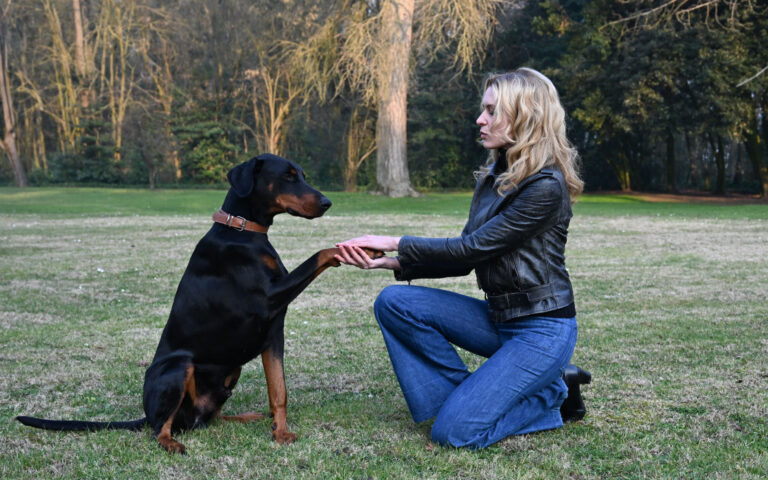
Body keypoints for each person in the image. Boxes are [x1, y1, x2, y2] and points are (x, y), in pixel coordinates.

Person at [335, 67, 591, 449]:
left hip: (542, 331)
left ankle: (551, 394)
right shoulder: (494, 177)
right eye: (483, 110)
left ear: (525, 116)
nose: (480, 119)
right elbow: (465, 255)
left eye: (491, 111)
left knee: (455, 433)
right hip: (499, 318)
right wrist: (394, 262)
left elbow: (471, 250)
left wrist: (392, 240)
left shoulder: (545, 187)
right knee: (395, 302)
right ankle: (471, 399)